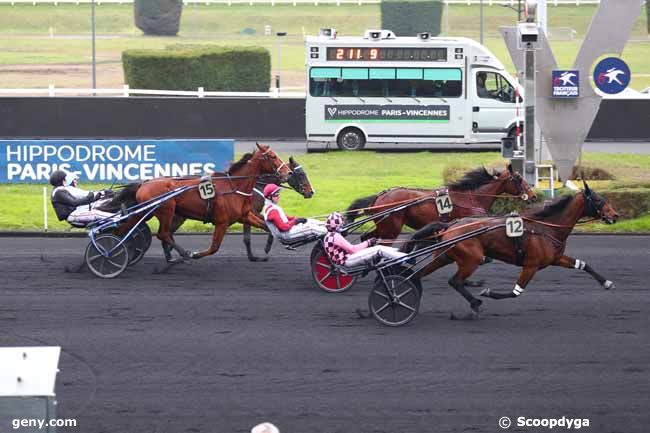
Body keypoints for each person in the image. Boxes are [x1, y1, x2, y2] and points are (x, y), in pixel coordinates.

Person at [323, 212, 407, 268]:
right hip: (348, 261)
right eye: (341, 224)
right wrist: (368, 242)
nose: (343, 225)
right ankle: (404, 258)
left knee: (379, 247)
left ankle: (397, 253)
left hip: (346, 259)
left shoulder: (328, 235)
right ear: (337, 225)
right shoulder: (336, 236)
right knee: (378, 249)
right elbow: (353, 249)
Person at [261, 183, 326, 241]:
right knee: (311, 228)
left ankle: (326, 225)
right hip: (286, 234)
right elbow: (284, 227)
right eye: (276, 195)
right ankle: (328, 233)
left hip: (288, 230)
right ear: (269, 197)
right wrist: (296, 221)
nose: (279, 197)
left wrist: (297, 219)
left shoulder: (271, 207)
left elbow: (286, 218)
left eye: (278, 194)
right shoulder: (272, 210)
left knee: (309, 221)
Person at [49, 169, 114, 225]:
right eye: (65, 178)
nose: (66, 180)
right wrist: (90, 197)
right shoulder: (58, 192)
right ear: (62, 180)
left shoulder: (60, 190)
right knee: (95, 214)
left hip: (74, 212)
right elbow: (74, 202)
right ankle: (118, 218)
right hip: (71, 215)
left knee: (97, 207)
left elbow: (79, 200)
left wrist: (94, 198)